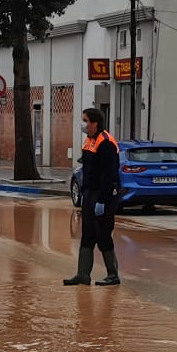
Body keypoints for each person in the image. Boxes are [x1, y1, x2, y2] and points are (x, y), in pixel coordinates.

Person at [65, 107, 122, 287]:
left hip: (103, 195)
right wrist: (84, 193)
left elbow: (109, 174)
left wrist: (103, 201)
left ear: (94, 123)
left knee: (103, 234)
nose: (83, 124)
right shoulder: (89, 140)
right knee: (88, 234)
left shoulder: (106, 143)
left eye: (85, 120)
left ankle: (113, 275)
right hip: (89, 193)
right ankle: (83, 274)